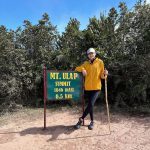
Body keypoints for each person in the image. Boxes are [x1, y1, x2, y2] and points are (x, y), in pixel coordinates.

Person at [74, 48, 108, 130]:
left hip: (96, 87)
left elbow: (102, 76)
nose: (90, 55)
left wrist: (105, 74)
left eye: (92, 53)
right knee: (90, 105)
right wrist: (82, 69)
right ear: (88, 55)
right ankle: (92, 121)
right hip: (88, 87)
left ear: (95, 54)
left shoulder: (100, 62)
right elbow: (76, 68)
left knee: (91, 104)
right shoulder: (85, 63)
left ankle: (81, 119)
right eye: (89, 54)